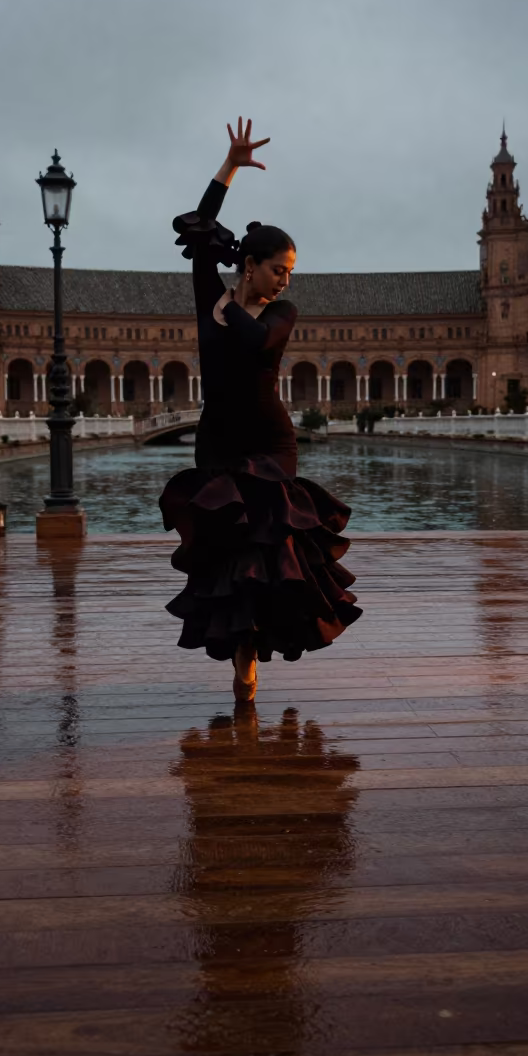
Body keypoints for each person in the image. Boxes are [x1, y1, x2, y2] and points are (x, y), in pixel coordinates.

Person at [159, 118, 362, 702]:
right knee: (229, 554)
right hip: (218, 440)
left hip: (270, 445)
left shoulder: (282, 312)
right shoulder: (210, 296)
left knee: (267, 552)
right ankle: (243, 657)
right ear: (251, 263)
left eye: (289, 272)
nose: (284, 280)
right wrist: (227, 168)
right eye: (278, 268)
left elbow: (256, 345)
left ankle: (254, 657)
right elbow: (199, 233)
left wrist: (235, 304)